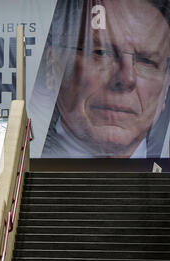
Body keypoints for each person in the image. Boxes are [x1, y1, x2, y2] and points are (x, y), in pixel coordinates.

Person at [32, 0, 170, 159]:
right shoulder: (10, 169)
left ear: (166, 88)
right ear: (53, 67)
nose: (127, 78)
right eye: (101, 53)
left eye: (146, 61)